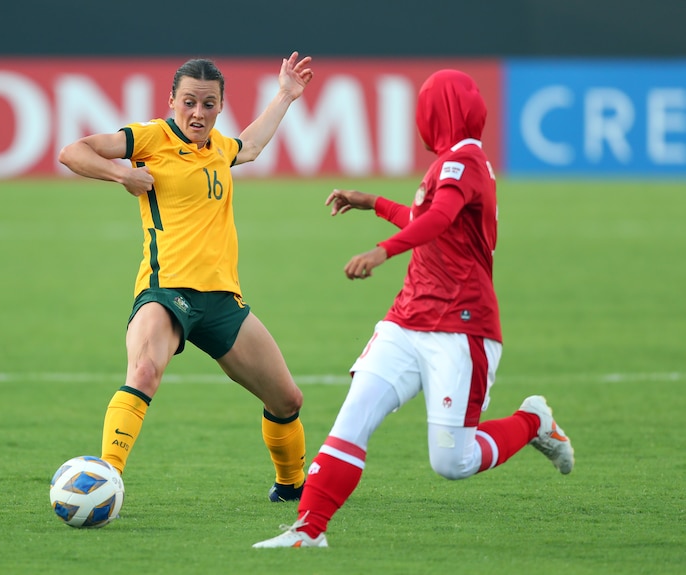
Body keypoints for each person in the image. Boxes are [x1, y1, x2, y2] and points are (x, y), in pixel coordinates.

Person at [253, 69, 575, 548]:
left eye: (426, 105)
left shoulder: (464, 161)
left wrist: (381, 251)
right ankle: (309, 529)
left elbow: (439, 219)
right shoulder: (452, 163)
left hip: (462, 326)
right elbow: (427, 221)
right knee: (353, 416)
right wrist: (371, 201)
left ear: (438, 111)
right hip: (407, 320)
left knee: (452, 461)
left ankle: (532, 422)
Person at [58, 52, 314, 503]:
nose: (199, 113)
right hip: (166, 291)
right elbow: (72, 152)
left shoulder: (220, 148)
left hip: (221, 300)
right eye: (190, 102)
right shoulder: (151, 137)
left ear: (220, 106)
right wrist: (121, 175)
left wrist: (286, 96)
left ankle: (291, 487)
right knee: (145, 370)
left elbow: (249, 146)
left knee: (288, 400)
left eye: (209, 104)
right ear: (172, 100)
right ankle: (106, 479)